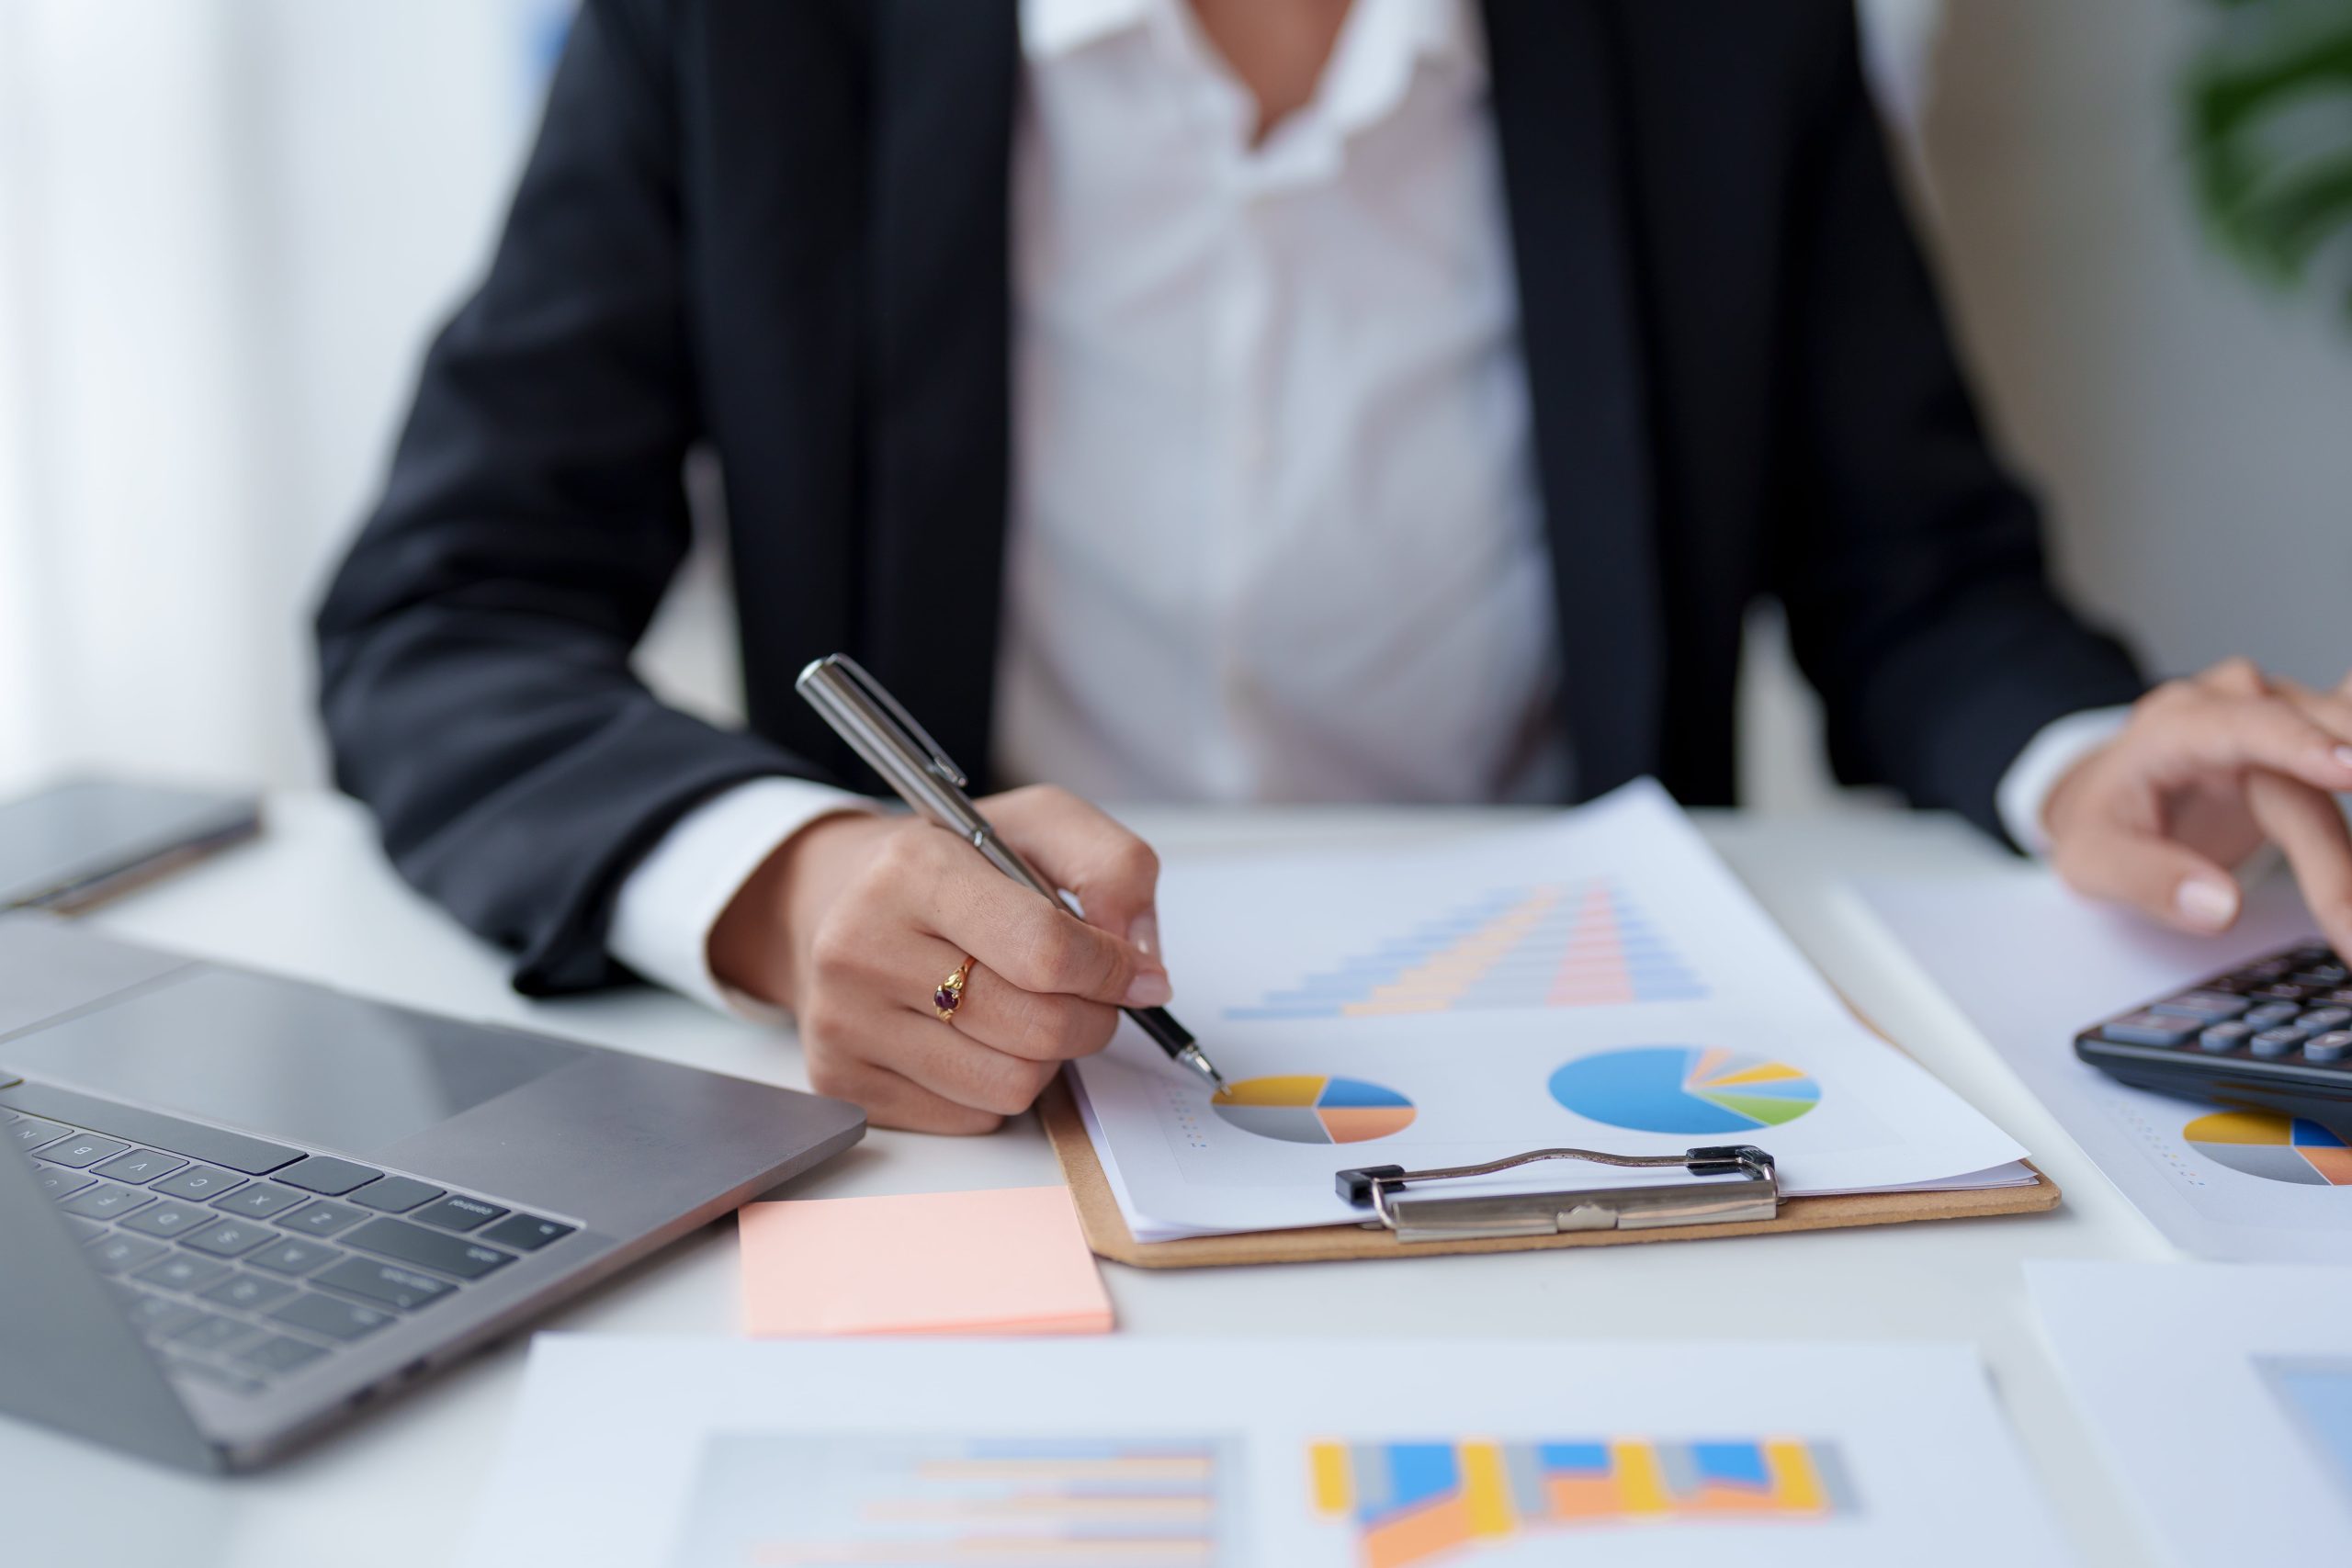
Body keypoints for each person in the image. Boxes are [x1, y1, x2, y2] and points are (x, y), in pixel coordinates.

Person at [316, 0, 2352, 1133]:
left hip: (1590, 1059)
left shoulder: (1719, 39)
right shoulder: (733, 35)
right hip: (980, 1093)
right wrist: (784, 882)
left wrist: (2076, 748)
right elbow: (445, 610)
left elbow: (1912, 570)